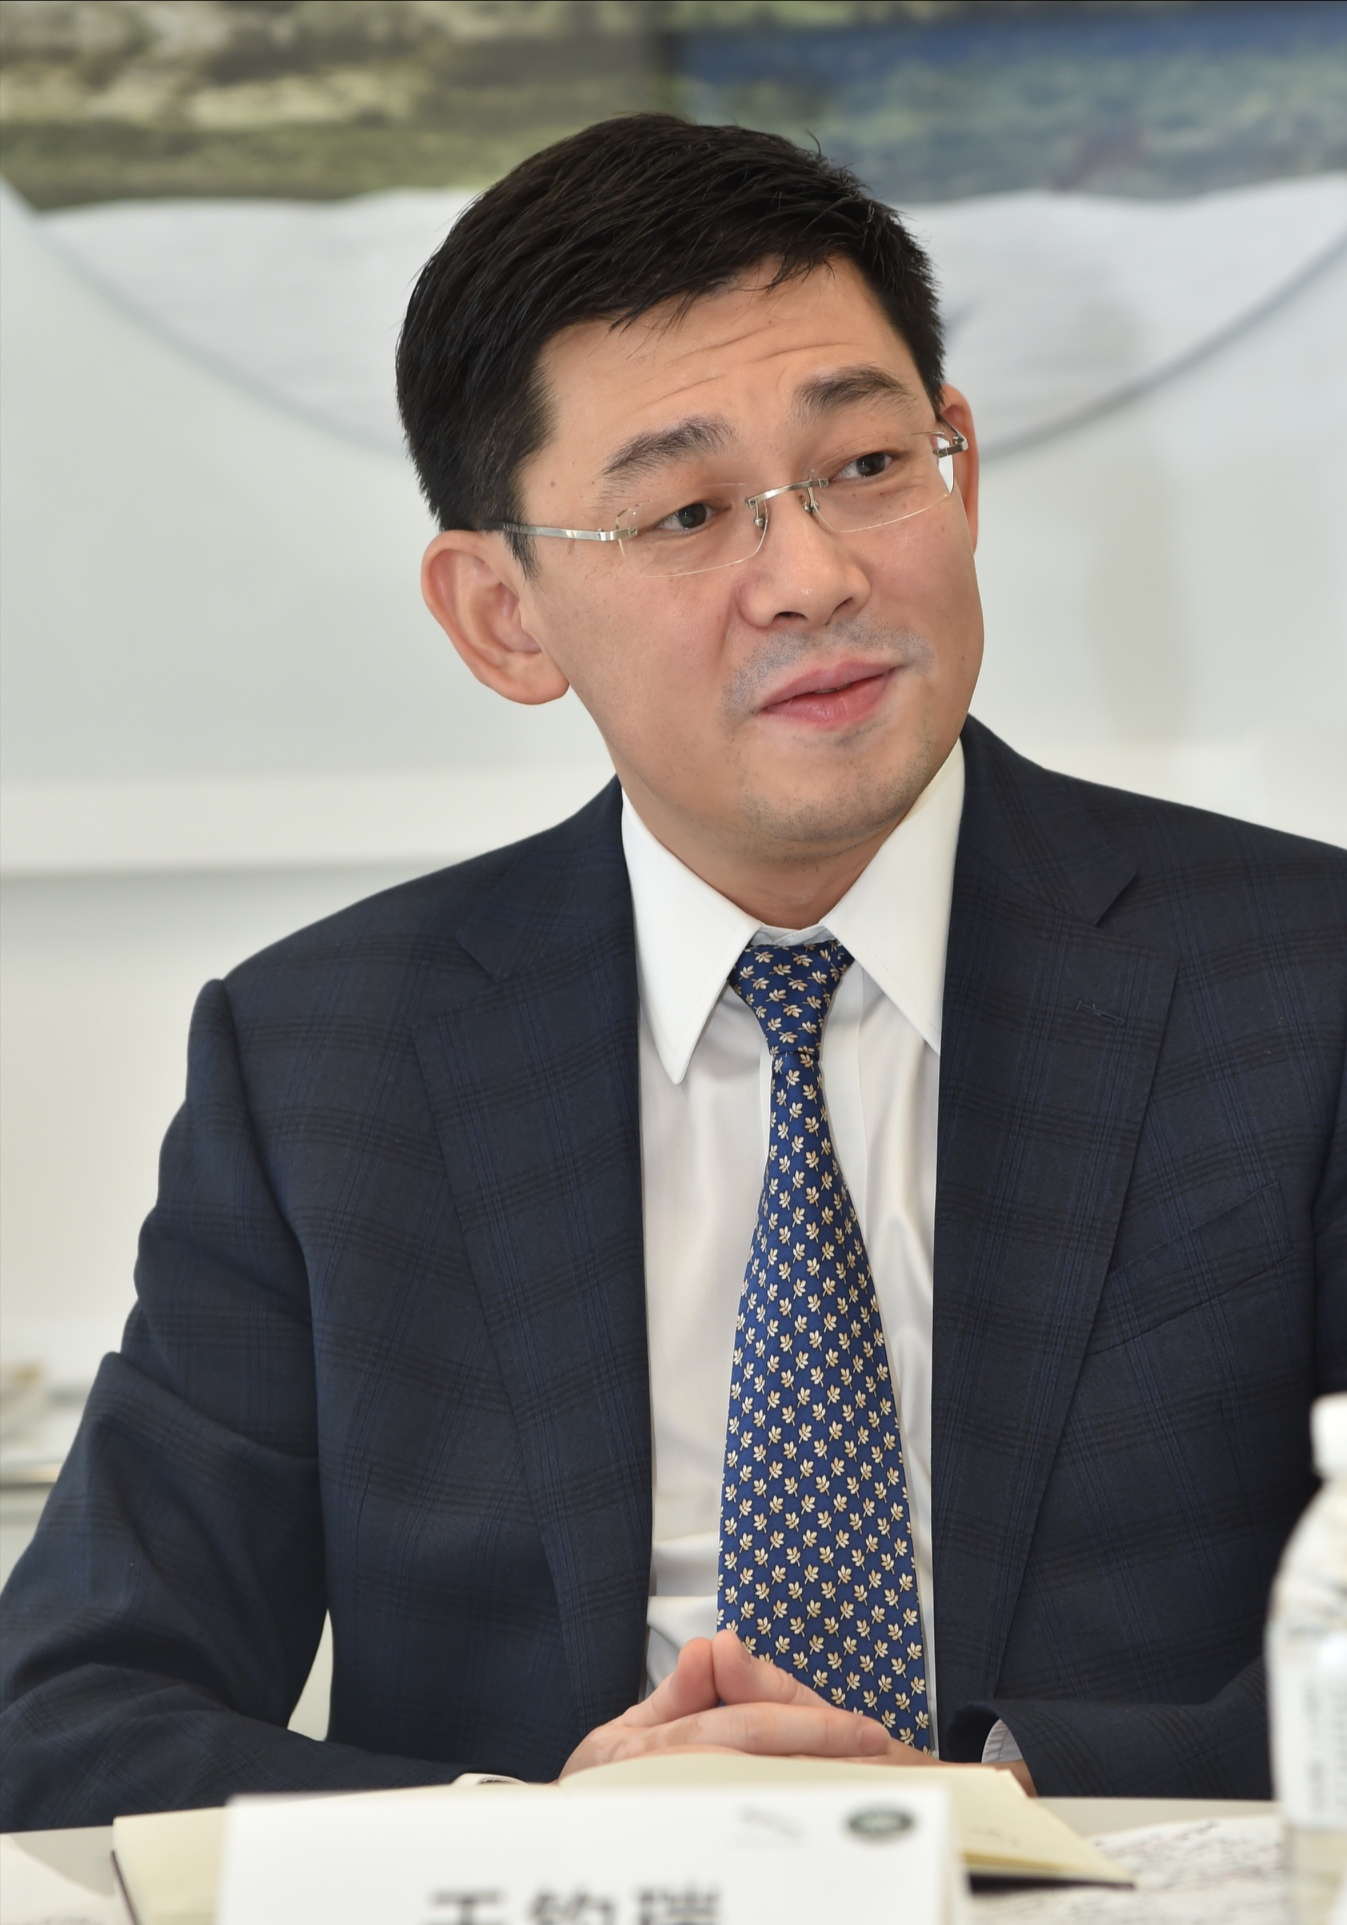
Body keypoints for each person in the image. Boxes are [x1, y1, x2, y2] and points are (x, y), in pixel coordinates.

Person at [2, 115, 1343, 1832]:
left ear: (961, 476)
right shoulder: (322, 1065)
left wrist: (968, 1805)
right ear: (502, 616)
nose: (815, 577)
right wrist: (547, 1836)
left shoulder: (1301, 988)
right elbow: (68, 1713)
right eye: (690, 512)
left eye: (870, 463)